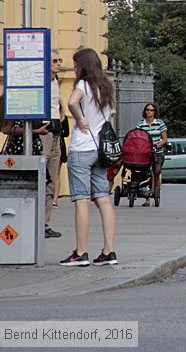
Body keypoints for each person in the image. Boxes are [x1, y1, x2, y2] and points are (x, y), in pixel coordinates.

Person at [61, 48, 117, 267]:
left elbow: (71, 102)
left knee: (82, 200)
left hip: (82, 148)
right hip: (100, 150)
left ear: (83, 66)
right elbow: (111, 114)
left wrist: (80, 118)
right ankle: (108, 251)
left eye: (76, 65)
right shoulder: (106, 87)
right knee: (103, 198)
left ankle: (81, 252)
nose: (74, 69)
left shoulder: (83, 85)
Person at [39, 50, 64, 238]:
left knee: (52, 180)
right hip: (44, 132)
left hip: (56, 132)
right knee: (42, 175)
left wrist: (61, 118)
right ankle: (37, 222)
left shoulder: (57, 82)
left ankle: (46, 224)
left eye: (59, 60)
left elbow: (60, 104)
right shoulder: (41, 82)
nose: (58, 64)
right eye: (54, 61)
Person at [136, 103, 168, 206]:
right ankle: (147, 198)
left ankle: (156, 192)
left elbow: (164, 139)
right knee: (146, 174)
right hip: (146, 153)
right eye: (147, 110)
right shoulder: (140, 124)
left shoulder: (159, 123)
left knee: (156, 172)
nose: (149, 112)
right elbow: (137, 137)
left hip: (157, 152)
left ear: (155, 112)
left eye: (151, 110)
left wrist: (157, 144)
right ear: (145, 111)